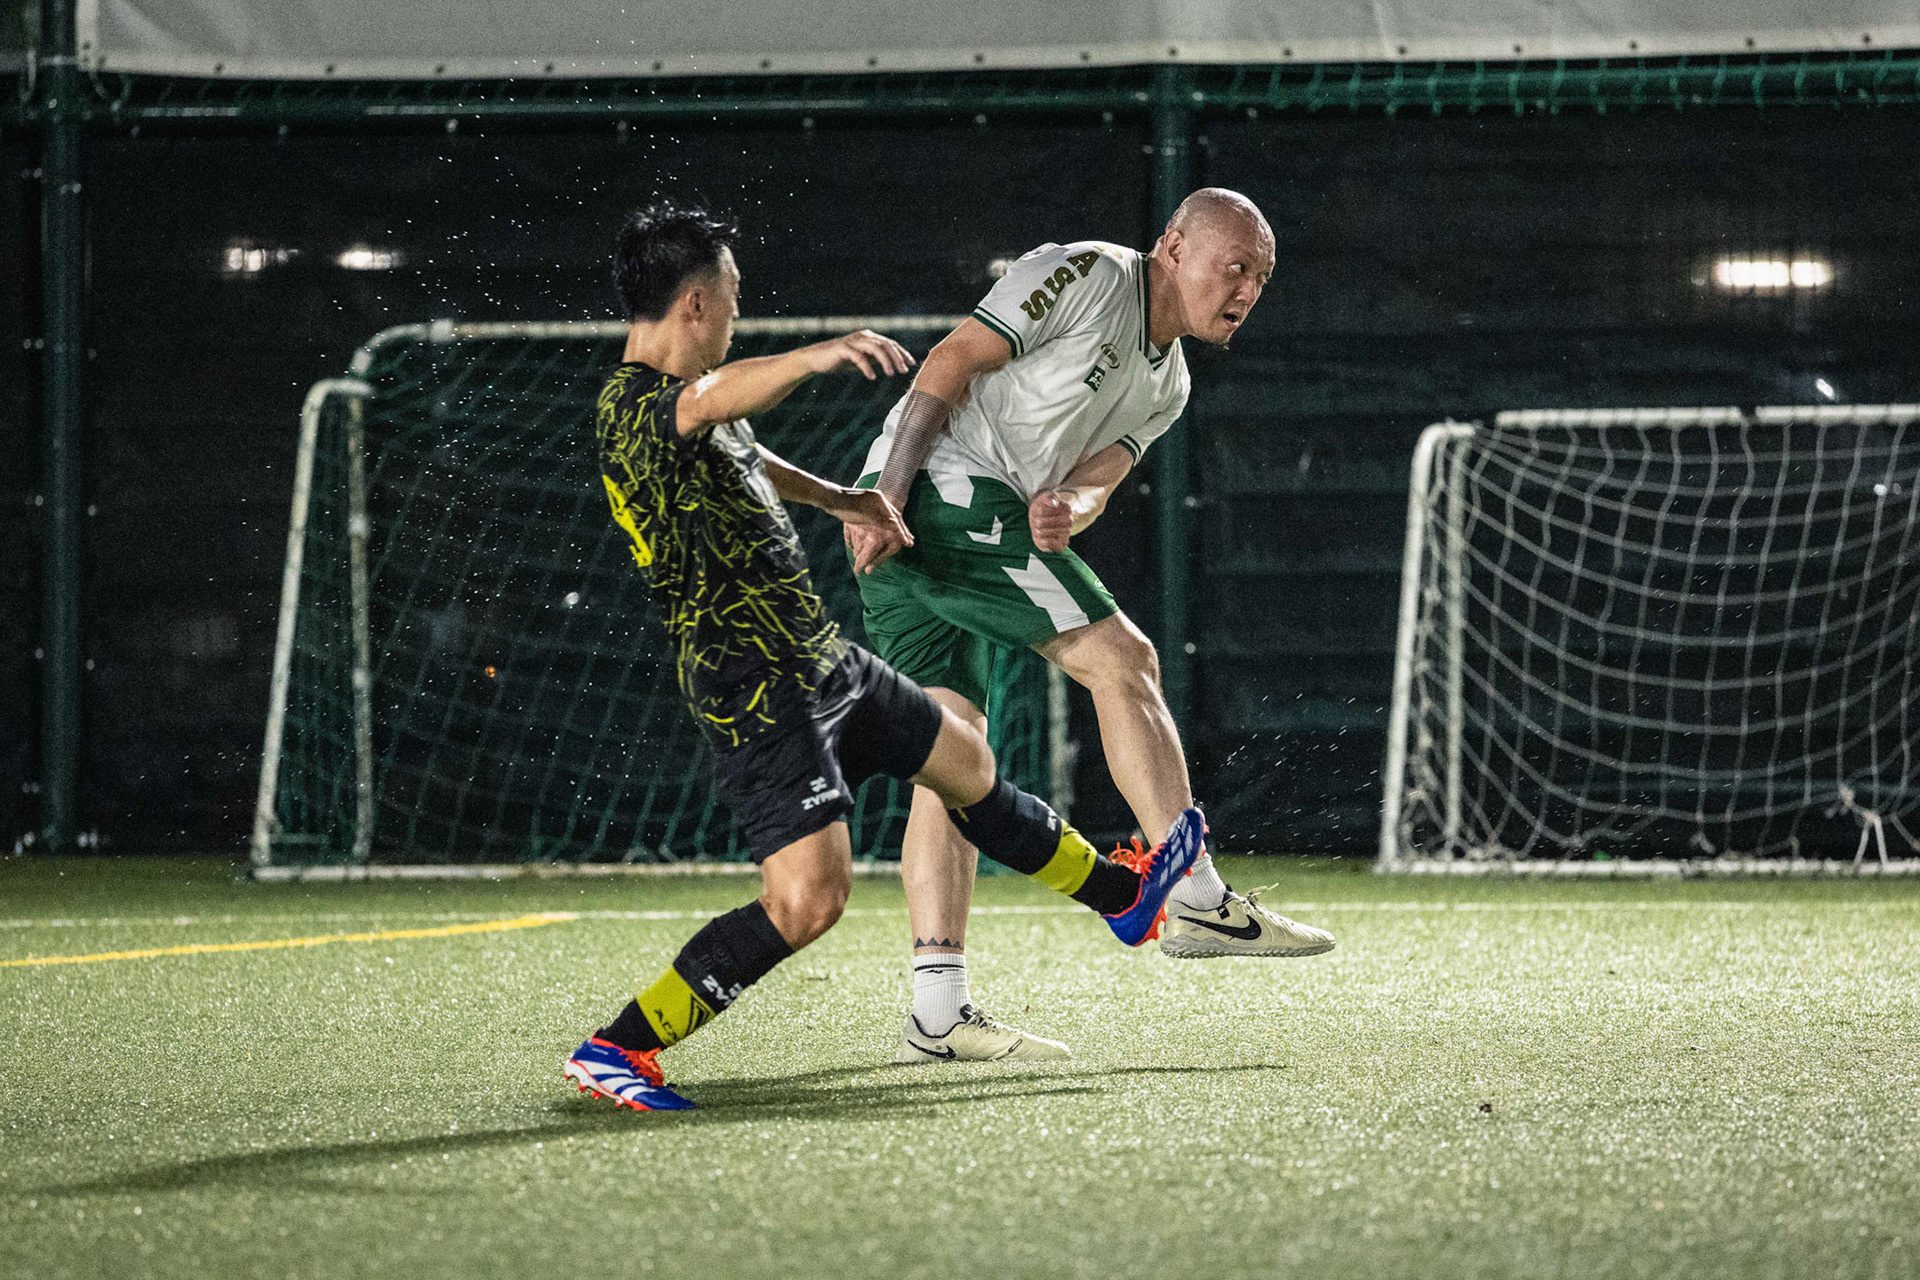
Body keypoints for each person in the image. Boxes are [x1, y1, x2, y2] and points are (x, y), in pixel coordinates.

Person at [563, 201, 1204, 1111]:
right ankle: (617, 1047)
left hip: (824, 665)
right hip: (754, 694)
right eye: (735, 298)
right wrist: (819, 355)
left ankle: (1123, 899)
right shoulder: (635, 407)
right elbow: (714, 401)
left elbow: (749, 451)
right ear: (698, 306)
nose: (739, 314)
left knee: (964, 758)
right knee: (808, 903)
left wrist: (845, 501)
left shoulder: (699, 418)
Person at [844, 189, 1336, 1065]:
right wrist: (887, 494)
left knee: (952, 756)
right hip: (941, 492)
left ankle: (936, 1011)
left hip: (939, 524)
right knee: (1125, 659)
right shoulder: (1086, 273)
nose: (1249, 289)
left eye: (1261, 277)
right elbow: (951, 362)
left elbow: (1101, 477)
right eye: (1235, 267)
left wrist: (1072, 500)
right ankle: (1194, 890)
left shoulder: (1172, 383)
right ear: (1173, 247)